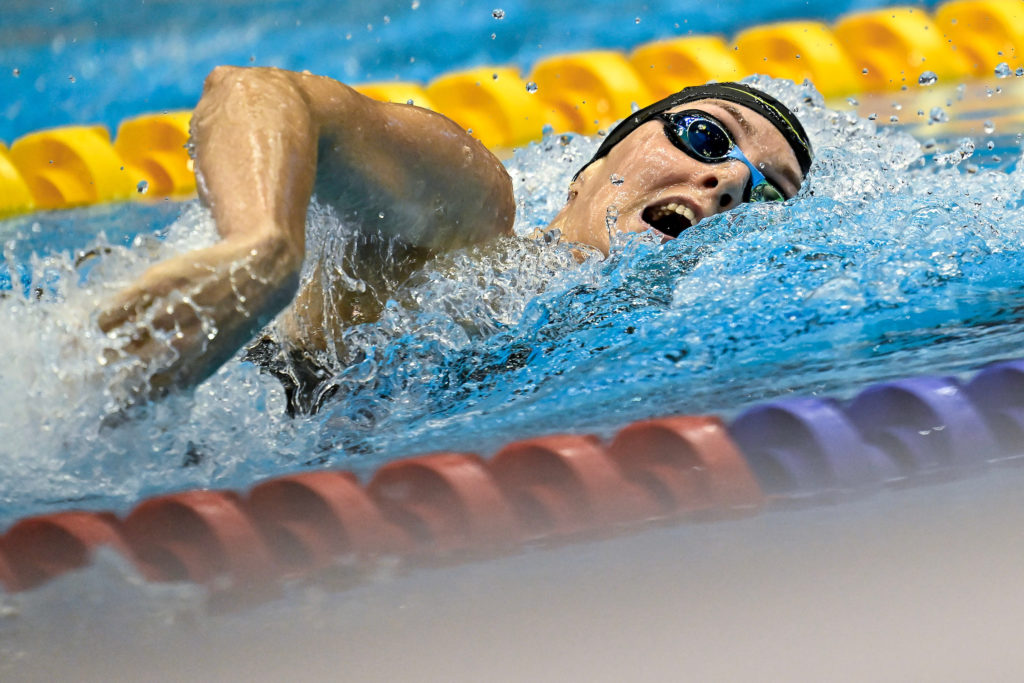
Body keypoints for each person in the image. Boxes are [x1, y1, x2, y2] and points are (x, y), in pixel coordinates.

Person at [96, 66, 812, 414]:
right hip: (153, 369)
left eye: (766, 196)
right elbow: (255, 91)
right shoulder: (468, 217)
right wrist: (262, 248)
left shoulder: (666, 365)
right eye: (705, 137)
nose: (726, 183)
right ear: (592, 169)